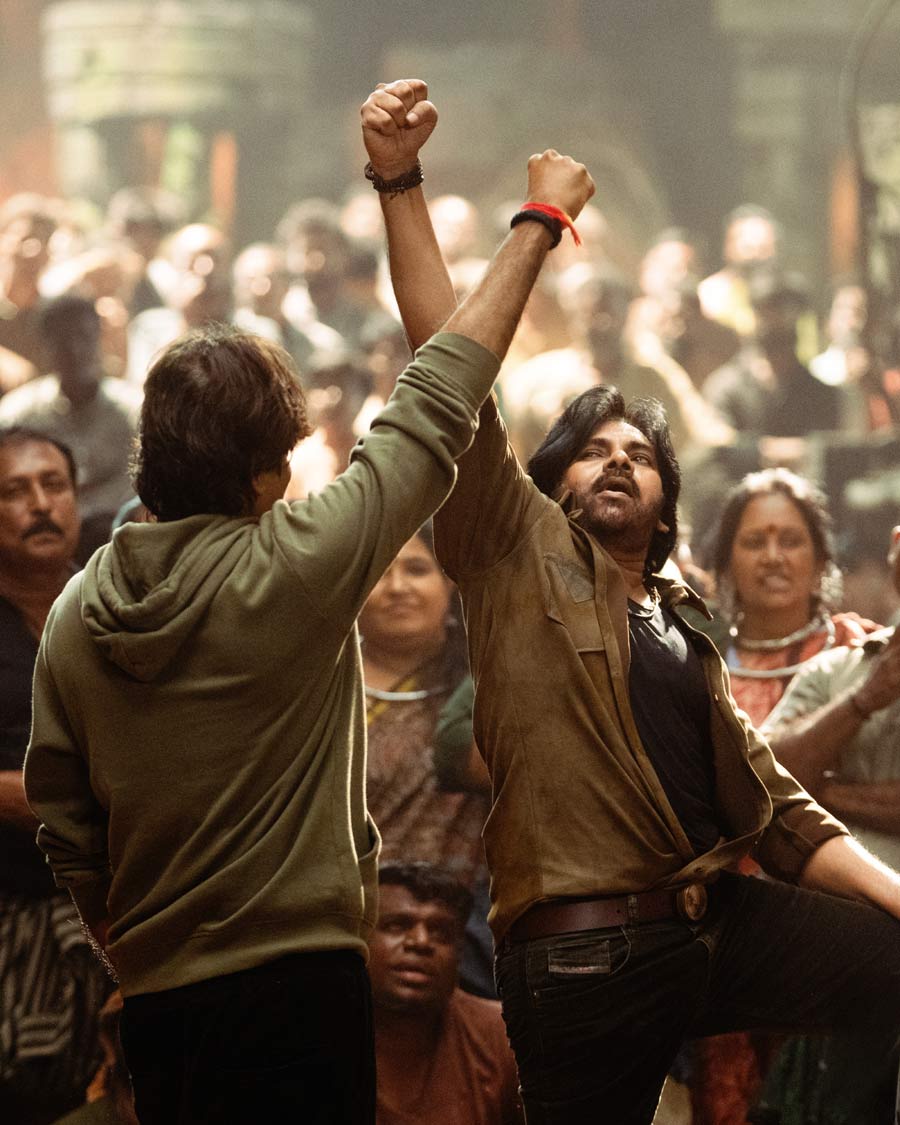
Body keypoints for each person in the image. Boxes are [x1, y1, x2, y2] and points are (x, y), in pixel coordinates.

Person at [23, 79, 595, 1125]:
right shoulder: (296, 565)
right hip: (297, 987)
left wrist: (131, 938)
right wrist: (539, 219)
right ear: (264, 476)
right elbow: (443, 391)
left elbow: (63, 817)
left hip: (160, 1000)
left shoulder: (75, 612)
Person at [367, 78, 900, 1125]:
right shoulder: (514, 552)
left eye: (639, 454)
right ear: (552, 482)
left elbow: (773, 805)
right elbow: (448, 365)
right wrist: (410, 184)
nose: (616, 460)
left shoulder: (681, 616)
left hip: (712, 920)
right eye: (591, 450)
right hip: (585, 953)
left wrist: (897, 898)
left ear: (665, 504)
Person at [749, 526, 900, 1123]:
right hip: (821, 964)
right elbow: (760, 780)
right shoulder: (836, 670)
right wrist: (866, 698)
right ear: (895, 546)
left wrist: (825, 791)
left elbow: (790, 783)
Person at [0, 427, 112, 1125]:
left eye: (54, 485)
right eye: (15, 491)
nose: (41, 505)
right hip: (14, 908)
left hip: (120, 908)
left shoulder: (117, 600)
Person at [705, 467, 875, 729]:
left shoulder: (856, 650)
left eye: (790, 541)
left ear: (820, 564)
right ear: (727, 567)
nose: (773, 557)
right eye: (755, 542)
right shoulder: (701, 666)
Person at [370, 863, 522, 1125]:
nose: (421, 942)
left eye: (440, 932)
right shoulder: (314, 1032)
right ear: (360, 939)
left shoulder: (502, 1034)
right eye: (397, 925)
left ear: (459, 953)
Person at [0, 295, 141, 560]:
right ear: (45, 347)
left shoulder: (134, 412)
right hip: (36, 549)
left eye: (84, 338)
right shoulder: (16, 417)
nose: (76, 352)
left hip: (121, 548)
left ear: (99, 339)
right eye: (64, 342)